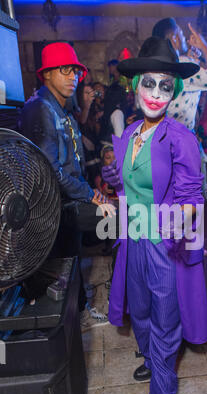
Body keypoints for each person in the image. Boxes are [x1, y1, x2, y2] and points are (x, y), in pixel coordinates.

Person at [102, 37, 207, 394]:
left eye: (167, 86)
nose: (156, 94)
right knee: (141, 311)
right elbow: (125, 185)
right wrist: (114, 179)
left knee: (166, 319)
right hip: (132, 240)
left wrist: (180, 223)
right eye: (149, 83)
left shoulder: (181, 138)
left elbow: (190, 194)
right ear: (135, 86)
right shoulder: (130, 133)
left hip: (164, 245)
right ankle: (150, 360)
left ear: (174, 92)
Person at [19, 42, 116, 323]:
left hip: (71, 199)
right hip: (55, 206)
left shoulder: (63, 110)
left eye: (75, 70)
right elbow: (50, 170)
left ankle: (82, 309)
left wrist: (92, 190)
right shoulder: (40, 108)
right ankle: (114, 304)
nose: (73, 76)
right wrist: (92, 196)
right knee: (119, 222)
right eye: (64, 70)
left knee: (72, 261)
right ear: (46, 74)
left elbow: (73, 164)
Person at [152, 17, 207, 131]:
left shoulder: (157, 66)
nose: (184, 38)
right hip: (181, 139)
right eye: (182, 34)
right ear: (174, 38)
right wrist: (205, 47)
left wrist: (191, 61)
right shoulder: (183, 65)